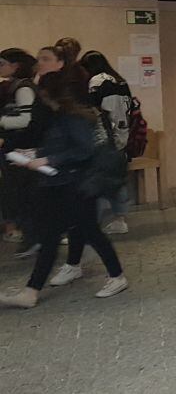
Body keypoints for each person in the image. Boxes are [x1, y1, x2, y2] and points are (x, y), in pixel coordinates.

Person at [0, 72, 127, 308]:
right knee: (55, 236)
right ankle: (32, 290)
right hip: (62, 184)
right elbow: (62, 145)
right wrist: (34, 156)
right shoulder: (60, 116)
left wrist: (47, 160)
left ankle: (117, 276)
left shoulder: (72, 118)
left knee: (88, 232)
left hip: (75, 185)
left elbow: (83, 151)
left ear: (49, 93)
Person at [77, 51, 133, 235]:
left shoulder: (99, 82)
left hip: (107, 136)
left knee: (100, 177)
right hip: (121, 134)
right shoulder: (120, 81)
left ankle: (97, 221)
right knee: (117, 177)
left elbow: (106, 111)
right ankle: (120, 217)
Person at [0, 49, 38, 251]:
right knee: (17, 190)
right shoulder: (12, 87)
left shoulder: (23, 88)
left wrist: (2, 122)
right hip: (15, 147)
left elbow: (27, 119)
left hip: (23, 148)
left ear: (15, 66)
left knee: (23, 191)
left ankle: (34, 234)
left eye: (2, 63)